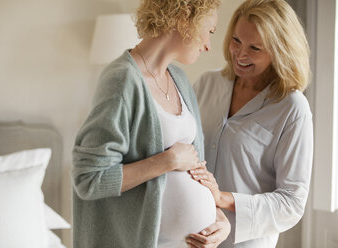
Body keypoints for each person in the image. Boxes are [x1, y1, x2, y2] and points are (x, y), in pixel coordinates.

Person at [72, 0, 230, 247]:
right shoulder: (122, 81)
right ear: (184, 17)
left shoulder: (179, 78)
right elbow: (89, 179)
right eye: (209, 31)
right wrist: (167, 161)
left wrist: (219, 218)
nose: (209, 45)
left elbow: (196, 169)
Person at [190, 0, 313, 247]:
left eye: (255, 48)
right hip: (192, 234)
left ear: (280, 51)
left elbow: (292, 202)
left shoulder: (292, 108)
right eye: (236, 41)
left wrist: (223, 199)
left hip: (243, 242)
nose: (240, 54)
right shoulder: (207, 84)